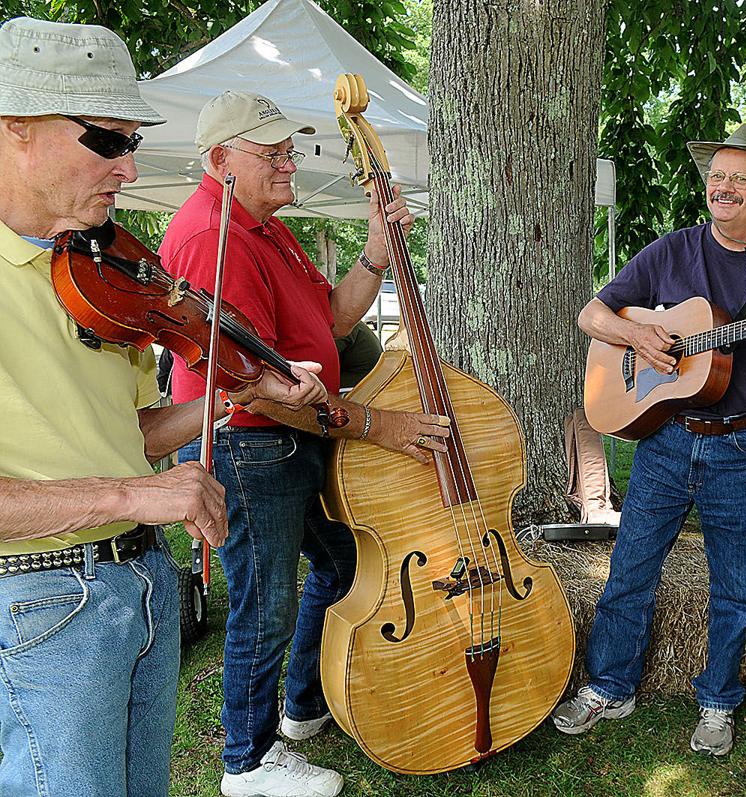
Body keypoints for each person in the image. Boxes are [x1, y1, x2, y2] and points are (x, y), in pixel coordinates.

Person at [0, 18, 327, 797]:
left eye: (132, 139)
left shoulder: (96, 263)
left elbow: (136, 434)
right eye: (109, 141)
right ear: (16, 129)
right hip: (42, 596)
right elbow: (130, 476)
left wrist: (238, 390)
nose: (131, 164)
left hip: (141, 581)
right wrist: (133, 494)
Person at [160, 91, 451, 797]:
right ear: (221, 161)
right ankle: (247, 762)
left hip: (288, 440)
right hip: (253, 445)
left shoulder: (266, 225)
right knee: (265, 603)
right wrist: (377, 424)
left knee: (343, 561)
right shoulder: (211, 237)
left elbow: (331, 318)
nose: (291, 162)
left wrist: (377, 255)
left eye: (290, 149)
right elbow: (253, 389)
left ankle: (301, 703)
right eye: (274, 153)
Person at [552, 123, 746, 756]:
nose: (722, 188)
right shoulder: (673, 250)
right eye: (715, 177)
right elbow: (593, 313)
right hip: (665, 440)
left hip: (745, 450)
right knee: (630, 569)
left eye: (738, 179)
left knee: (737, 587)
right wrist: (637, 338)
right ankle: (608, 686)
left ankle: (718, 700)